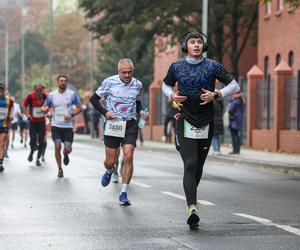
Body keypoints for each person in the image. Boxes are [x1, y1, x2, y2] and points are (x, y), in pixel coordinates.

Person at [162, 31, 240, 229]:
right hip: (184, 119)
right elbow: (165, 84)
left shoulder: (213, 66)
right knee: (190, 162)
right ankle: (191, 207)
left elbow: (234, 85)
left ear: (203, 47)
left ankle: (192, 200)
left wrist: (217, 94)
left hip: (206, 121)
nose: (196, 45)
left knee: (198, 167)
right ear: (185, 46)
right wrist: (171, 94)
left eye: (199, 42)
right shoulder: (176, 66)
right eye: (192, 42)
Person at [90, 58, 149, 206]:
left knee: (128, 156)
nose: (127, 75)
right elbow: (93, 99)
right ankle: (110, 171)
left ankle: (123, 192)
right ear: (118, 72)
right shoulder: (109, 82)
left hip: (130, 124)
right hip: (113, 124)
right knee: (111, 161)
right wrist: (105, 112)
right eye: (124, 73)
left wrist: (141, 113)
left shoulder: (138, 84)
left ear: (133, 71)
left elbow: (138, 103)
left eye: (130, 72)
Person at [43, 75, 82, 177]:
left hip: (68, 126)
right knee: (57, 146)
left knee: (68, 148)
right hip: (56, 125)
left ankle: (65, 154)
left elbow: (79, 108)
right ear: (57, 82)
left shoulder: (72, 94)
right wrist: (45, 110)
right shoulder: (52, 95)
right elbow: (45, 106)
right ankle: (60, 169)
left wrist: (71, 115)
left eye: (65, 81)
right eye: (61, 81)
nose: (63, 83)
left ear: (67, 83)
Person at [23, 84, 48, 166]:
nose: (38, 93)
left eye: (40, 92)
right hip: (32, 121)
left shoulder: (46, 96)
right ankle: (31, 152)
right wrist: (28, 115)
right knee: (32, 140)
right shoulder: (30, 96)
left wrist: (47, 111)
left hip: (42, 121)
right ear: (34, 90)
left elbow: (50, 105)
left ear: (42, 91)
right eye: (37, 91)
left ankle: (37, 158)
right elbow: (24, 106)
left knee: (42, 141)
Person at [0, 83, 14, 172]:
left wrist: (11, 115)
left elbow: (11, 108)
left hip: (4, 124)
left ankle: (0, 162)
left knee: (1, 143)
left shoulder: (9, 100)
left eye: (2, 89)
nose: (0, 91)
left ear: (5, 90)